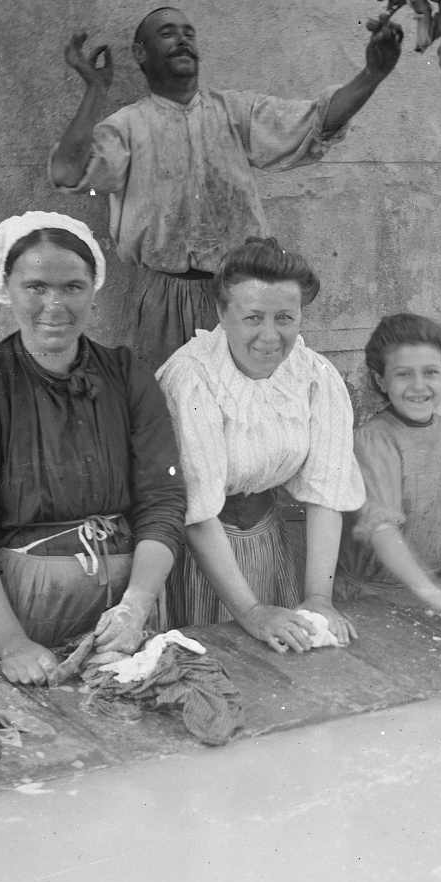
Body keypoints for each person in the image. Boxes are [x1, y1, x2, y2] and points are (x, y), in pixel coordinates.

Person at [49, 4, 404, 371]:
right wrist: (95, 89)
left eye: (189, 33)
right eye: (168, 33)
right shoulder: (126, 127)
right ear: (141, 53)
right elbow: (67, 173)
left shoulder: (235, 112)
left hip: (242, 295)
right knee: (171, 408)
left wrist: (372, 74)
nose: (183, 40)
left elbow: (315, 121)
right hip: (163, 301)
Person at [0, 213, 187, 685]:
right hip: (18, 610)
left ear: (94, 287)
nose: (54, 305)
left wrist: (136, 606)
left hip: (125, 608)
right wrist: (13, 644)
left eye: (72, 287)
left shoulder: (128, 375)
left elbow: (162, 502)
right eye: (36, 287)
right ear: (6, 286)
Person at [157, 236, 365, 653]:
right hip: (201, 558)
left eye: (285, 318)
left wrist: (318, 599)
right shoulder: (192, 377)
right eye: (253, 318)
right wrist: (251, 612)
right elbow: (197, 511)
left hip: (270, 547)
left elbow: (327, 491)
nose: (270, 337)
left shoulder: (315, 375)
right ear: (221, 312)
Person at [335, 314, 441, 626]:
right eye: (403, 374)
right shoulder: (373, 440)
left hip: (434, 593)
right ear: (381, 380)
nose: (419, 386)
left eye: (431, 372)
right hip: (368, 598)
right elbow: (381, 529)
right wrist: (435, 595)